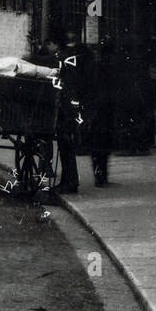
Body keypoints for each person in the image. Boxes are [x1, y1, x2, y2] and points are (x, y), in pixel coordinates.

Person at [54, 29, 92, 194]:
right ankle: (69, 180)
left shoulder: (67, 58)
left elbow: (68, 85)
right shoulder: (85, 56)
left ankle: (69, 181)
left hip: (69, 106)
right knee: (68, 144)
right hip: (80, 104)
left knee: (65, 144)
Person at [87, 38, 117, 186]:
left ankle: (100, 176)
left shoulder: (95, 67)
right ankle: (101, 178)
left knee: (98, 148)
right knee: (102, 148)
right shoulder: (108, 68)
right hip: (103, 111)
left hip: (96, 111)